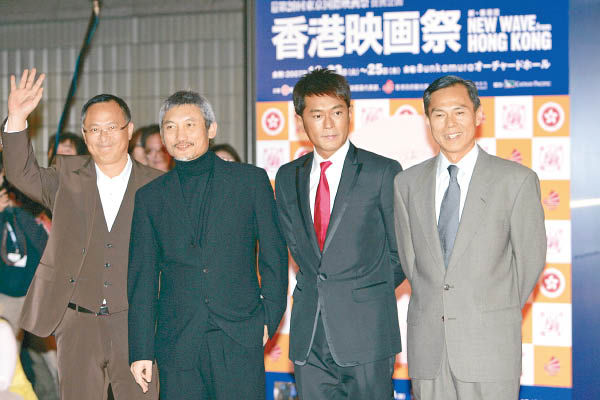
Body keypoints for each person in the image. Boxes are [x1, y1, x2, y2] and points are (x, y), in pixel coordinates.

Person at [2, 68, 161, 400]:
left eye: (112, 127)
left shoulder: (157, 184)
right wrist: (16, 118)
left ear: (129, 130)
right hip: (77, 321)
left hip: (136, 325)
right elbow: (20, 173)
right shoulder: (67, 177)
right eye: (94, 129)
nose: (103, 137)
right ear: (85, 136)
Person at [393, 75, 546, 400]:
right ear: (427, 121)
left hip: (490, 346)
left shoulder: (515, 181)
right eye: (439, 114)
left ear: (478, 115)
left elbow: (529, 263)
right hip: (429, 350)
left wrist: (489, 309)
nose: (450, 123)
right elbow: (411, 262)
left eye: (459, 112)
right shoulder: (407, 184)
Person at [127, 90, 288, 399]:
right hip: (178, 342)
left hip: (239, 333)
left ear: (211, 129)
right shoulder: (150, 197)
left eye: (190, 124)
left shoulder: (250, 181)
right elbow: (142, 278)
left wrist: (269, 315)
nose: (180, 135)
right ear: (162, 136)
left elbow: (274, 254)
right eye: (171, 127)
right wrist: (141, 349)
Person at [274, 68, 405, 399]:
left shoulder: (382, 171)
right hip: (309, 335)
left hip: (367, 333)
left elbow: (401, 253)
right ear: (301, 122)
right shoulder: (288, 176)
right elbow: (296, 248)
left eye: (337, 112)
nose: (329, 124)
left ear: (350, 113)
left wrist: (363, 294)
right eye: (317, 115)